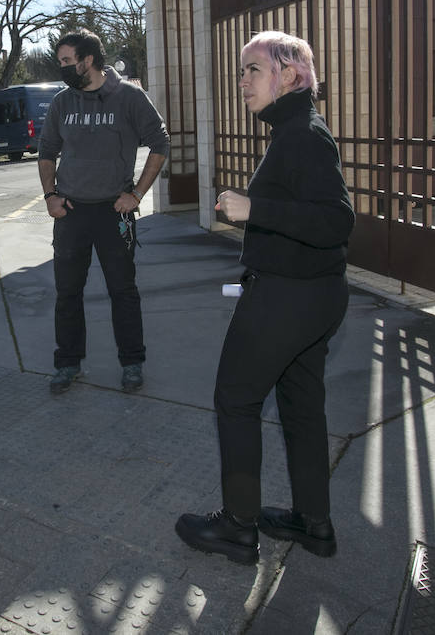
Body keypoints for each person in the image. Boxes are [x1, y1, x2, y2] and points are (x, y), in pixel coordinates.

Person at [175, 30, 354, 566]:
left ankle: (237, 526)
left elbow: (336, 221)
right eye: (241, 71)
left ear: (291, 75)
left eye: (252, 70)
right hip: (311, 297)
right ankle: (313, 522)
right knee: (301, 409)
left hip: (287, 298)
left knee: (236, 399)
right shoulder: (295, 130)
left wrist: (256, 210)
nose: (242, 81)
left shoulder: (302, 134)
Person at [38, 30, 170, 394]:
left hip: (115, 213)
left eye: (67, 61)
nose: (62, 67)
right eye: (60, 61)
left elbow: (160, 142)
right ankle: (67, 364)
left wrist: (137, 194)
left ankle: (132, 363)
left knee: (123, 291)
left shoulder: (128, 96)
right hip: (71, 212)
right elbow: (47, 149)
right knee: (67, 293)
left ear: (89, 60)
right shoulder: (63, 102)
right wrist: (50, 195)